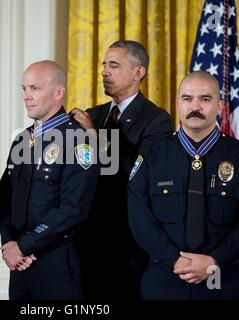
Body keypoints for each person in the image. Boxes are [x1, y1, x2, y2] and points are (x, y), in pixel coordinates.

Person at [127, 71, 239, 299]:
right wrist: (175, 259)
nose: (195, 106)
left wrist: (214, 260)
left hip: (221, 278)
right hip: (164, 279)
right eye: (187, 98)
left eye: (205, 99)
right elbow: (139, 219)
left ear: (220, 106)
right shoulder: (151, 157)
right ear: (177, 104)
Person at [69, 40, 172, 300]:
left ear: (139, 73)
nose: (104, 71)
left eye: (114, 65)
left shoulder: (157, 120)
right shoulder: (95, 113)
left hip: (128, 243)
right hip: (87, 239)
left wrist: (94, 136)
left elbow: (138, 174)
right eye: (104, 64)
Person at [0, 60, 98, 300]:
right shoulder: (22, 140)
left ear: (58, 92)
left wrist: (25, 246)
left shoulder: (79, 140)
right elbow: (4, 200)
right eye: (24, 89)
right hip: (19, 264)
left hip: (56, 260)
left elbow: (73, 208)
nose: (26, 96)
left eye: (35, 88)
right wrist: (10, 243)